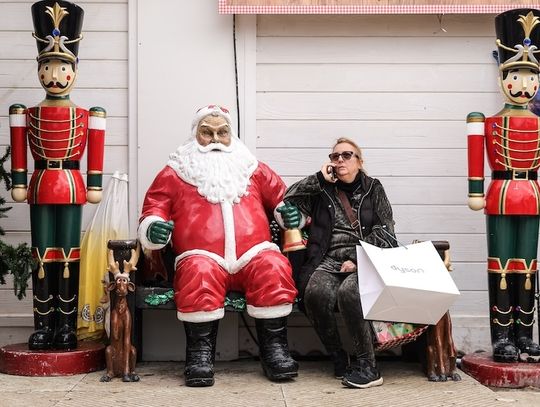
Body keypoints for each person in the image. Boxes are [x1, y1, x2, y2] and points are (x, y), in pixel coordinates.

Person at [138, 105, 298, 387]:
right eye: (206, 132)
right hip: (202, 255)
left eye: (222, 132)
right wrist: (153, 228)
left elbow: (283, 198)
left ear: (231, 135)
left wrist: (290, 214)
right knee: (197, 274)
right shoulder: (175, 172)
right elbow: (154, 208)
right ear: (194, 135)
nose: (214, 139)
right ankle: (200, 354)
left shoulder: (252, 168)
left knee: (273, 267)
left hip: (254, 254)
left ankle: (274, 350)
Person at [9, 0, 105, 350]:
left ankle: (66, 325)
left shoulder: (89, 114)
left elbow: (95, 150)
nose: (54, 75)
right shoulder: (25, 112)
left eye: (61, 68)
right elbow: (19, 149)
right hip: (38, 185)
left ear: (73, 72)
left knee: (69, 253)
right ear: (39, 70)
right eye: (48, 67)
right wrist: (19, 181)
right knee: (41, 253)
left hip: (71, 185)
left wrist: (94, 183)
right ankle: (43, 324)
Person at [276, 137, 396, 389]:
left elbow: (386, 231)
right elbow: (288, 199)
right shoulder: (323, 190)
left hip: (366, 258)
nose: (339, 160)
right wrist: (319, 179)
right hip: (328, 259)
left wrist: (356, 258)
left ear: (359, 162)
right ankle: (338, 356)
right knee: (315, 293)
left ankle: (368, 366)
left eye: (346, 155)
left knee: (350, 292)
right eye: (335, 156)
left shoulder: (374, 188)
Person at [467, 8, 540, 363]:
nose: (524, 86)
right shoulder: (485, 122)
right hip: (499, 195)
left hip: (532, 196)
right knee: (499, 263)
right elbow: (474, 160)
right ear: (502, 78)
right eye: (516, 76)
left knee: (527, 265)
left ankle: (525, 334)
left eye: (531, 78)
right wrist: (475, 191)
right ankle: (502, 337)